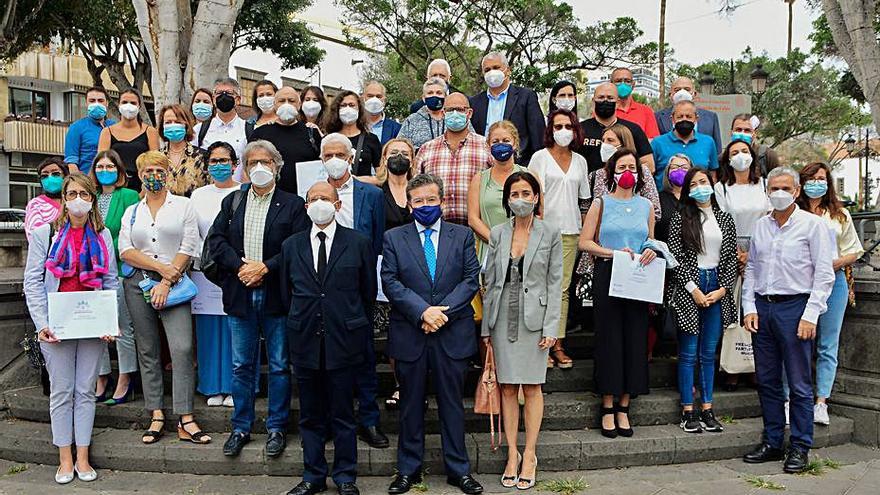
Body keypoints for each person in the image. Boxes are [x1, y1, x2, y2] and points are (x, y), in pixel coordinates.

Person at [206, 140, 310, 458]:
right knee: (241, 366)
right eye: (253, 163)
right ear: (245, 168)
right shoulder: (233, 201)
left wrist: (265, 267)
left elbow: (296, 247)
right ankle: (241, 427)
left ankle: (276, 428)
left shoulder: (293, 205)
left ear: (277, 166)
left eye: (266, 161)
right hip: (240, 292)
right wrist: (241, 267)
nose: (259, 168)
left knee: (279, 365)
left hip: (277, 295)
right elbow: (216, 241)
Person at [382, 174, 483, 495]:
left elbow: (470, 280)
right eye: (419, 201)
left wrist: (441, 313)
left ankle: (459, 470)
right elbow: (391, 282)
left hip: (451, 333)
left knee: (452, 403)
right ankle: (408, 469)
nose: (425, 206)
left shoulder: (463, 235)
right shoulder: (394, 238)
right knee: (410, 403)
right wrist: (422, 312)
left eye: (431, 200)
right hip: (411, 331)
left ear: (443, 201)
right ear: (409, 205)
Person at [280, 182, 376, 495]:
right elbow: (286, 294)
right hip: (306, 340)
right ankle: (313, 476)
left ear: (337, 205)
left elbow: (367, 293)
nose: (319, 203)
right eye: (313, 199)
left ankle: (346, 476)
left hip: (344, 340)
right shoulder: (291, 245)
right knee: (310, 415)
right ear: (305, 206)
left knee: (344, 413)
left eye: (326, 198)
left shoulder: (358, 243)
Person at [24, 173, 118, 484]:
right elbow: (33, 283)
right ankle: (65, 458)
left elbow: (110, 282)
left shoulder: (101, 235)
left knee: (85, 391)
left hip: (91, 324)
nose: (78, 199)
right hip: (57, 326)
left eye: (84, 193)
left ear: (92, 199)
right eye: (72, 193)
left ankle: (83, 456)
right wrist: (42, 324)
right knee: (62, 391)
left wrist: (108, 322)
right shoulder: (44, 233)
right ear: (64, 198)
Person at [741, 167, 835, 474]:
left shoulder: (813, 225)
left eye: (785, 187)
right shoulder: (761, 226)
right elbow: (752, 267)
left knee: (798, 382)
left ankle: (800, 445)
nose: (779, 193)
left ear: (796, 191)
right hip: (764, 308)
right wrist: (749, 306)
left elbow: (823, 274)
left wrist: (810, 314)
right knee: (767, 380)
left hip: (795, 306)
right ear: (767, 191)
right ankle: (772, 441)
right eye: (773, 188)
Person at [118, 151, 208, 446]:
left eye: (159, 169)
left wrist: (167, 280)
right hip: (138, 283)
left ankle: (185, 415)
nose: (154, 175)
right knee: (147, 348)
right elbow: (125, 250)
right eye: (148, 170)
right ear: (141, 175)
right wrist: (159, 268)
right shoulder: (133, 210)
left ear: (168, 173)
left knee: (182, 347)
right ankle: (155, 412)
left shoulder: (183, 205)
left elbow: (189, 245)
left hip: (176, 283)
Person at [481, 171, 562, 490]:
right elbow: (490, 280)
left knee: (531, 387)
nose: (521, 199)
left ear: (537, 197)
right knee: (507, 388)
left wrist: (552, 326)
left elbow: (556, 282)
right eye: (515, 194)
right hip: (502, 316)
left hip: (535, 317)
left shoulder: (551, 233)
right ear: (507, 199)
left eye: (527, 193)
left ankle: (530, 454)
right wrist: (487, 326)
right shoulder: (498, 233)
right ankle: (511, 453)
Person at [578, 148, 656, 439]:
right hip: (609, 272)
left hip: (638, 276)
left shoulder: (646, 205)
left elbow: (651, 241)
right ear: (612, 172)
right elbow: (585, 242)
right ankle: (607, 404)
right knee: (609, 339)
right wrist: (613, 253)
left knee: (635, 338)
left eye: (633, 167)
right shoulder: (601, 203)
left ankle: (625, 404)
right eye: (622, 166)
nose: (628, 172)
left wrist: (649, 251)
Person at [319, 133, 388, 448]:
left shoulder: (371, 195)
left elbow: (376, 243)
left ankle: (369, 420)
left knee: (364, 357)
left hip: (359, 286)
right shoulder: (314, 193)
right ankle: (335, 420)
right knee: (328, 362)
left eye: (339, 154)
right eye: (327, 154)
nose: (334, 159)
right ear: (321, 159)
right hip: (322, 288)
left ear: (350, 158)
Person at [667, 168, 738, 434]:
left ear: (712, 184)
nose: (699, 187)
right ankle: (688, 410)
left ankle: (707, 408)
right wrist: (692, 288)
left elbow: (731, 257)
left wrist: (723, 289)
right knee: (688, 353)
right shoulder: (681, 218)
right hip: (690, 287)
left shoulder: (725, 219)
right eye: (694, 183)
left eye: (703, 182)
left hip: (716, 285)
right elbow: (675, 256)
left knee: (708, 353)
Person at [794, 162, 864, 425]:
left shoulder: (839, 214)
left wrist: (834, 262)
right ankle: (793, 397)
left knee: (827, 343)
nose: (817, 183)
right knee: (798, 341)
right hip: (800, 282)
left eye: (821, 178)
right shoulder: (793, 212)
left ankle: (821, 401)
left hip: (834, 281)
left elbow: (855, 250)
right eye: (811, 178)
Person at [527, 109, 590, 368]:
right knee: (538, 288)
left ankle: (558, 343)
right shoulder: (539, 158)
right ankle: (536, 343)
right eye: (557, 125)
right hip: (541, 232)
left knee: (561, 290)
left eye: (568, 126)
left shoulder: (580, 161)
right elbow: (527, 195)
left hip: (570, 232)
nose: (563, 131)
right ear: (549, 129)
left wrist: (586, 233)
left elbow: (584, 201)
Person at [713, 139, 770, 392]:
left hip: (762, 251)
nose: (740, 156)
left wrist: (753, 254)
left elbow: (770, 218)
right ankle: (733, 367)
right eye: (734, 152)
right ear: (727, 159)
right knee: (733, 309)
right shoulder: (721, 188)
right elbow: (721, 221)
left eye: (744, 151)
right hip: (730, 252)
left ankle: (757, 366)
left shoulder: (765, 186)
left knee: (759, 307)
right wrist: (736, 254)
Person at [189, 142, 242, 407]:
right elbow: (192, 231)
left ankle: (236, 386)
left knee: (236, 329)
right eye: (213, 161)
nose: (219, 165)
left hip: (235, 270)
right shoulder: (198, 195)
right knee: (209, 330)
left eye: (224, 160)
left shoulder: (243, 192)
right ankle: (212, 386)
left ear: (235, 164)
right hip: (204, 269)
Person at [88, 150, 140, 405]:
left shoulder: (129, 196)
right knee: (96, 327)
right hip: (91, 273)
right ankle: (101, 377)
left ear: (119, 171)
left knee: (121, 327)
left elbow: (130, 232)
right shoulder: (90, 196)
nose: (104, 171)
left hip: (119, 270)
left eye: (110, 166)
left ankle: (125, 378)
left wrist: (104, 247)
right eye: (100, 167)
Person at [375, 138, 415, 411]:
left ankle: (415, 385)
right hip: (384, 268)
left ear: (412, 159)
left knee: (413, 328)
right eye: (393, 152)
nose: (399, 157)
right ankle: (401, 383)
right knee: (393, 331)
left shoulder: (420, 190)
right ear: (384, 158)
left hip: (417, 267)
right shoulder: (375, 192)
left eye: (404, 153)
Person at [416, 92, 490, 226]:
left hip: (477, 229)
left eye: (460, 109)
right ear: (443, 113)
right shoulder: (427, 149)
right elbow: (415, 187)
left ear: (469, 113)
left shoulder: (486, 147)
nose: (455, 113)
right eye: (450, 110)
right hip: (436, 229)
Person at [469, 52, 545, 164]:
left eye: (496, 67)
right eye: (487, 70)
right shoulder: (474, 102)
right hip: (484, 167)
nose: (492, 72)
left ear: (508, 70)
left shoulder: (526, 97)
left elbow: (538, 137)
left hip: (517, 167)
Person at [467, 120, 526, 263]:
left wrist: (518, 244)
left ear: (515, 143)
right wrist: (498, 242)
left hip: (523, 250)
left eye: (506, 140)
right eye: (495, 141)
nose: (501, 144)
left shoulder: (529, 176)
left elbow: (539, 214)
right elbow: (473, 219)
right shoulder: (479, 179)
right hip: (489, 250)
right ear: (488, 146)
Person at [249, 86, 320, 195]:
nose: (286, 105)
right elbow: (249, 165)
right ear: (275, 104)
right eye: (282, 101)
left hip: (304, 199)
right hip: (269, 198)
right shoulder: (260, 133)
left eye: (291, 101)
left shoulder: (312, 133)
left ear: (299, 105)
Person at [589, 124, 661, 220]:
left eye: (610, 140)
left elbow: (655, 210)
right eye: (603, 141)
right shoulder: (596, 175)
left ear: (623, 144)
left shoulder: (642, 172)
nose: (605, 144)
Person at [578, 82, 654, 173]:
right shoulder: (580, 129)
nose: (605, 101)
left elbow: (649, 165)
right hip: (587, 185)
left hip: (624, 186)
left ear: (617, 103)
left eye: (610, 98)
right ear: (593, 101)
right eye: (601, 97)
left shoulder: (633, 129)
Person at [97, 89, 160, 192]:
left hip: (142, 188)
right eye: (125, 102)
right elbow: (101, 163)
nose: (129, 106)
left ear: (139, 106)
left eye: (133, 103)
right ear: (119, 105)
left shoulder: (150, 132)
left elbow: (155, 164)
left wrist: (146, 189)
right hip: (114, 188)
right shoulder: (107, 132)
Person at [651, 100, 719, 190]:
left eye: (689, 116)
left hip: (697, 200)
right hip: (665, 200)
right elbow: (650, 174)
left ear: (696, 119)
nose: (684, 119)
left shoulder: (708, 142)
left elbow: (713, 174)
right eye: (680, 117)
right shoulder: (657, 143)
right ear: (672, 119)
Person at [192, 78, 248, 178]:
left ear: (238, 99)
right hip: (208, 190)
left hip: (238, 190)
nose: (224, 96)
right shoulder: (199, 130)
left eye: (229, 93)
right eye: (219, 93)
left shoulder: (248, 130)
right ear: (213, 99)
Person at [654, 77, 722, 154]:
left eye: (687, 89)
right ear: (671, 95)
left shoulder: (710, 117)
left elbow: (717, 151)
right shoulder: (658, 117)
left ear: (694, 94)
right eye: (677, 90)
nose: (682, 92)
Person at [323, 90, 382, 177]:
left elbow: (381, 177)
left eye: (351, 105)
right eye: (343, 105)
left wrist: (362, 181)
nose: (348, 109)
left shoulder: (371, 139)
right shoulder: (329, 140)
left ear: (359, 109)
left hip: (363, 189)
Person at [64, 86, 116, 175]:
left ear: (107, 103)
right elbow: (72, 162)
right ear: (86, 103)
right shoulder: (76, 128)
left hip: (112, 180)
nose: (96, 104)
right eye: (92, 101)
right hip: (88, 180)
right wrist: (80, 183)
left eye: (100, 101)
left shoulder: (114, 126)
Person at [158, 103, 207, 197]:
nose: (173, 125)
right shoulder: (156, 158)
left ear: (186, 125)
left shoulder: (202, 157)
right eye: (168, 122)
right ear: (162, 127)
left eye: (178, 122)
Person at [399, 78, 455, 151]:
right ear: (423, 98)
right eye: (430, 93)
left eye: (439, 93)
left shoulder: (455, 117)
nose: (434, 96)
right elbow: (401, 146)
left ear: (445, 96)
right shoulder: (412, 120)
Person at [25, 157, 70, 240]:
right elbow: (34, 234)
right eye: (44, 176)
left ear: (65, 176)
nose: (50, 178)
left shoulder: (74, 201)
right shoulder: (35, 204)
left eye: (55, 174)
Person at [609, 67, 660, 139]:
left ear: (633, 84)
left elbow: (653, 141)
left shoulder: (646, 111)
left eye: (627, 81)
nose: (623, 85)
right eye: (618, 81)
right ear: (611, 84)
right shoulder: (603, 110)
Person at [656, 154, 693, 243]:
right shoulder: (659, 198)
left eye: (684, 167)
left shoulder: (696, 197)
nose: (680, 170)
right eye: (674, 167)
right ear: (667, 172)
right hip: (666, 251)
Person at [363, 81, 402, 145]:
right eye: (370, 96)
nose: (374, 100)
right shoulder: (354, 126)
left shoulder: (396, 129)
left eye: (378, 96)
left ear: (384, 100)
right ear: (363, 98)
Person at [300, 85, 328, 154]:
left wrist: (319, 134)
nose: (311, 103)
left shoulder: (330, 126)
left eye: (315, 100)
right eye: (307, 99)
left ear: (321, 104)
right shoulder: (295, 124)